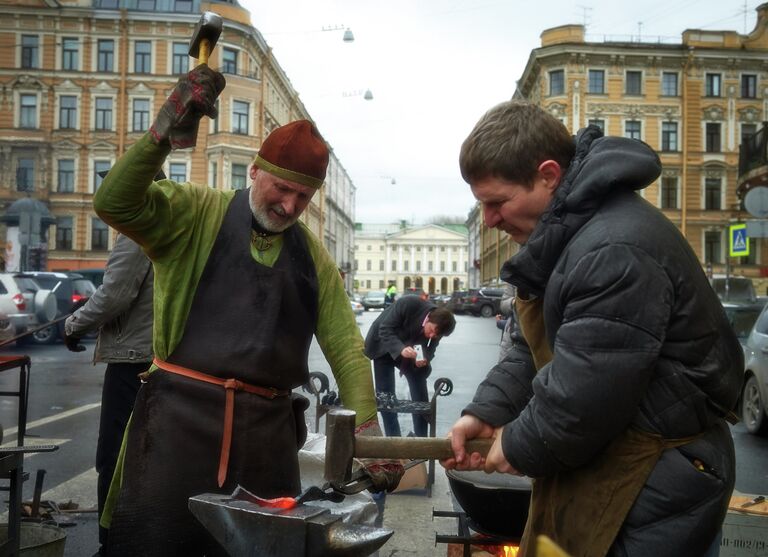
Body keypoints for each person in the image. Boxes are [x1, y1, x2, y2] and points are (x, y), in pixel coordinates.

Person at [92, 64, 402, 556]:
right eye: (281, 187)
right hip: (177, 429)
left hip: (267, 441)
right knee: (155, 544)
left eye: (303, 196)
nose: (289, 205)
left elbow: (345, 346)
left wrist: (368, 428)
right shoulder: (193, 212)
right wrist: (164, 130)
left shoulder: (313, 257)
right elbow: (114, 202)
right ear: (254, 170)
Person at [441, 100, 743, 557]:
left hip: (657, 480)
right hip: (619, 463)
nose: (490, 221)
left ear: (548, 175)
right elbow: (532, 351)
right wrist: (488, 410)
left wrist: (518, 444)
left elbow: (585, 397)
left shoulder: (612, 249)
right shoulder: (570, 236)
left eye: (498, 202)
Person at [63, 232, 153, 556]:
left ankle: (111, 545)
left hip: (133, 359)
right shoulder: (174, 216)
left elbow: (116, 293)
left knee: (115, 459)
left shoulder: (137, 226)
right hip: (160, 358)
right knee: (147, 460)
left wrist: (73, 325)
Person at [364, 295, 455, 437]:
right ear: (429, 318)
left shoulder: (439, 326)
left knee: (419, 381)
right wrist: (401, 349)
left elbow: (431, 348)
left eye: (436, 335)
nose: (431, 336)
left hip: (408, 348)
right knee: (386, 396)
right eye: (431, 330)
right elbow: (385, 329)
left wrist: (425, 358)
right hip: (382, 344)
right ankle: (394, 439)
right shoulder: (408, 303)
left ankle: (421, 438)